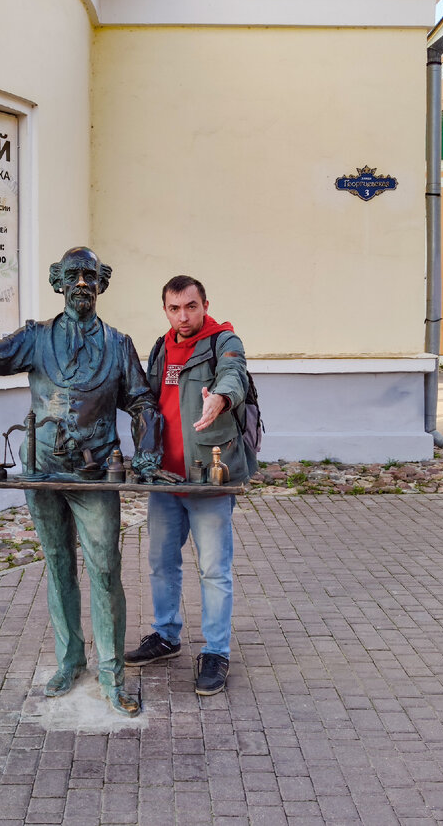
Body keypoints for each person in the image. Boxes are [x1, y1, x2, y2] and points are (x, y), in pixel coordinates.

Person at [0, 242, 178, 717]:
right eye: (72, 276)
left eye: (89, 277)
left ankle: (112, 672)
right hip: (43, 473)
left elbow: (141, 401)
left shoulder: (118, 344)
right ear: (57, 282)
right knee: (58, 567)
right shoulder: (36, 337)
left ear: (101, 284)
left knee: (104, 570)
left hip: (95, 475)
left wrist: (147, 449)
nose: (81, 284)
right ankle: (71, 660)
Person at [125, 275, 257, 696]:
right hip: (165, 480)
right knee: (162, 564)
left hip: (208, 480)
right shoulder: (161, 348)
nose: (184, 316)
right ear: (165, 309)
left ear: (204, 305)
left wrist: (221, 396)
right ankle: (166, 635)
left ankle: (216, 652)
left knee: (214, 570)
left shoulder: (224, 341)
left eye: (191, 306)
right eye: (174, 308)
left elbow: (234, 374)